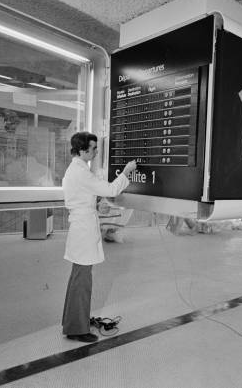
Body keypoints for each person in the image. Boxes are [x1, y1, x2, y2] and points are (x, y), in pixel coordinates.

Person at [61, 131, 136, 343]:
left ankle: (74, 322)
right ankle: (77, 329)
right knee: (82, 281)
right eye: (93, 148)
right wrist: (127, 172)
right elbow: (111, 189)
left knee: (78, 279)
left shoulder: (76, 169)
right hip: (83, 229)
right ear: (83, 150)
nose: (96, 152)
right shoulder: (81, 173)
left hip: (81, 227)